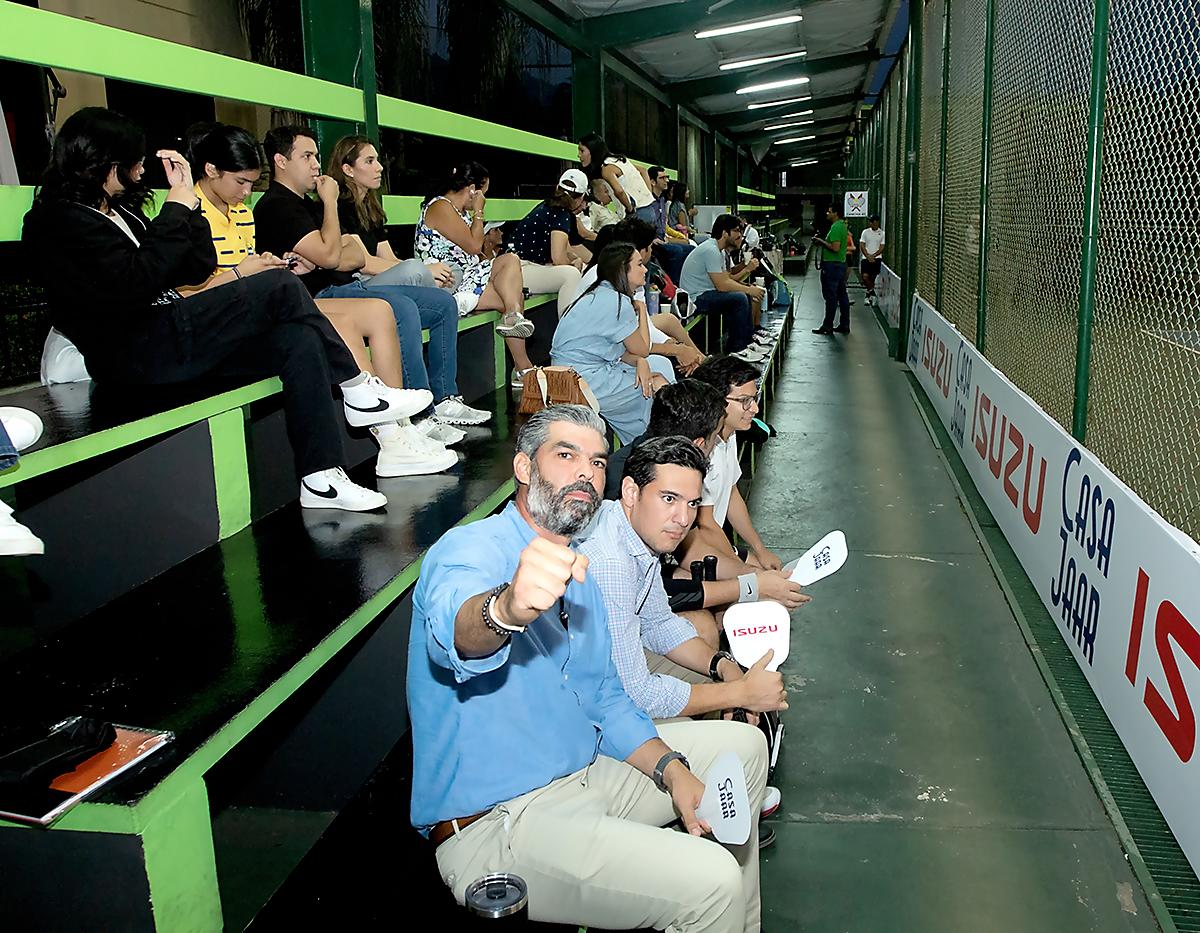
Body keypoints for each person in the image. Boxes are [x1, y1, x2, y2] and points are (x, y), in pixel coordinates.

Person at [408, 404, 767, 931]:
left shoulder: (582, 571)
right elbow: (460, 634)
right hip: (502, 820)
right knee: (712, 880)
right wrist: (506, 609)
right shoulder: (471, 550)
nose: (586, 473)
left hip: (583, 773)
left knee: (745, 749)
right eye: (565, 455)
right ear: (525, 468)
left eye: (597, 462)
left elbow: (606, 699)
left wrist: (672, 769)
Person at [23, 107, 430, 511]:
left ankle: (321, 476)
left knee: (298, 337)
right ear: (101, 163)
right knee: (279, 284)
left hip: (168, 333)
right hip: (133, 354)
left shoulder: (122, 210)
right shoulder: (55, 222)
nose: (141, 170)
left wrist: (191, 209)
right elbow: (134, 284)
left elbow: (194, 267)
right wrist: (176, 210)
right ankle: (357, 388)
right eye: (132, 161)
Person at [253, 126, 474, 467]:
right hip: (321, 296)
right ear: (280, 161)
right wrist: (330, 213)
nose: (315, 165)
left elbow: (350, 253)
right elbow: (333, 257)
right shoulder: (281, 206)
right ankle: (405, 424)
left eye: (315, 155)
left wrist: (334, 249)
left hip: (338, 288)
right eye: (307, 156)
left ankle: (422, 411)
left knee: (439, 302)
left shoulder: (308, 206)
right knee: (397, 304)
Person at [602, 380, 806, 618]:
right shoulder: (620, 485)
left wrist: (751, 576)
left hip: (650, 583)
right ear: (698, 444)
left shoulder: (655, 462)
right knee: (705, 622)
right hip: (623, 605)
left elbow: (692, 546)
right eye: (715, 437)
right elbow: (650, 593)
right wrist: (749, 586)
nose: (718, 443)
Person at [325, 135, 490, 428]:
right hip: (353, 286)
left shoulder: (371, 208)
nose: (379, 167)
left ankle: (445, 399)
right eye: (369, 161)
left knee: (443, 304)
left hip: (374, 279)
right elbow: (363, 262)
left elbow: (387, 257)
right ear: (348, 169)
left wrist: (424, 269)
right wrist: (424, 269)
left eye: (377, 160)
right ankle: (421, 407)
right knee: (415, 278)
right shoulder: (340, 206)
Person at [680, 358, 809, 604]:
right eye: (744, 401)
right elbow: (706, 524)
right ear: (717, 402)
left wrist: (759, 550)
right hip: (698, 550)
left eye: (754, 398)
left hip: (717, 542)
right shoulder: (705, 450)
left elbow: (731, 494)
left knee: (774, 572)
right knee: (765, 592)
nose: (755, 409)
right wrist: (742, 568)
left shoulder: (729, 435)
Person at [416, 161, 535, 385]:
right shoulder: (440, 206)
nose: (484, 198)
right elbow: (473, 245)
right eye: (483, 193)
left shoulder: (458, 211)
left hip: (466, 277)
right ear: (472, 189)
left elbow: (473, 252)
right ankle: (522, 367)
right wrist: (479, 211)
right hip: (448, 281)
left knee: (510, 269)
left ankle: (514, 324)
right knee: (512, 288)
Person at [551, 242, 667, 444]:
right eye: (639, 264)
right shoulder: (618, 302)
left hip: (571, 375)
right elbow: (643, 349)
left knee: (657, 370)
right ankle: (655, 448)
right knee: (655, 387)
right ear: (623, 269)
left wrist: (640, 362)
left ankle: (650, 445)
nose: (645, 269)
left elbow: (618, 352)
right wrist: (640, 307)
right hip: (583, 381)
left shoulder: (597, 295)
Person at [580, 219, 706, 379]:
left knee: (670, 324)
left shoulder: (628, 276)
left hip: (616, 343)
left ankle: (700, 359)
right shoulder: (604, 282)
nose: (646, 267)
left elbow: (644, 327)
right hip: (598, 357)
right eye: (650, 247)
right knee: (665, 363)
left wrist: (675, 346)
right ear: (640, 251)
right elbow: (638, 346)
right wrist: (675, 349)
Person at [504, 169, 590, 316]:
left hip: (516, 266)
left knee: (582, 270)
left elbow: (566, 250)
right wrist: (573, 264)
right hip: (518, 270)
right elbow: (558, 257)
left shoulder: (548, 206)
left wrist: (576, 260)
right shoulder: (561, 213)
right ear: (581, 198)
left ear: (557, 187)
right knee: (571, 274)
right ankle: (568, 330)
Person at [678, 214, 762, 353]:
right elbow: (722, 285)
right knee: (740, 298)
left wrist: (747, 288)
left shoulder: (718, 250)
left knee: (743, 295)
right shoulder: (711, 250)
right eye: (736, 230)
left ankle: (746, 342)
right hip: (696, 298)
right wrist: (748, 290)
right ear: (724, 233)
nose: (739, 235)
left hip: (706, 292)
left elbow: (727, 279)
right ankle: (738, 349)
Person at [577, 132, 654, 219]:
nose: (579, 155)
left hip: (637, 212)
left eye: (582, 151)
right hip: (649, 208)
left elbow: (619, 191)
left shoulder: (606, 169)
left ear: (593, 150)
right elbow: (643, 170)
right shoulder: (618, 160)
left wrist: (630, 209)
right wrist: (648, 196)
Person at [639, 165, 694, 286]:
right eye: (662, 178)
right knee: (677, 251)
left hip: (663, 237)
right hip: (653, 241)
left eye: (667, 177)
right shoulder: (647, 202)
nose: (667, 180)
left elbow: (664, 225)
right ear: (652, 182)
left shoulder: (662, 201)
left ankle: (684, 284)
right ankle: (673, 284)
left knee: (690, 248)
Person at [812, 204, 850, 335]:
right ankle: (844, 324)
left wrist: (820, 241)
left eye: (829, 212)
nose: (827, 214)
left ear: (836, 213)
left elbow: (835, 248)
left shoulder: (835, 227)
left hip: (832, 266)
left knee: (831, 296)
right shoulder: (842, 226)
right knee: (842, 294)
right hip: (840, 264)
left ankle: (827, 325)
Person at [859, 214, 885, 304]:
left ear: (876, 222)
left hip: (876, 258)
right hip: (866, 258)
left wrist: (873, 255)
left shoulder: (882, 233)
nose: (871, 223)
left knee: (872, 277)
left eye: (872, 221)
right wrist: (867, 256)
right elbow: (862, 245)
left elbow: (881, 247)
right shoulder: (865, 232)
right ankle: (871, 291)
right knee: (865, 277)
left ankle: (868, 295)